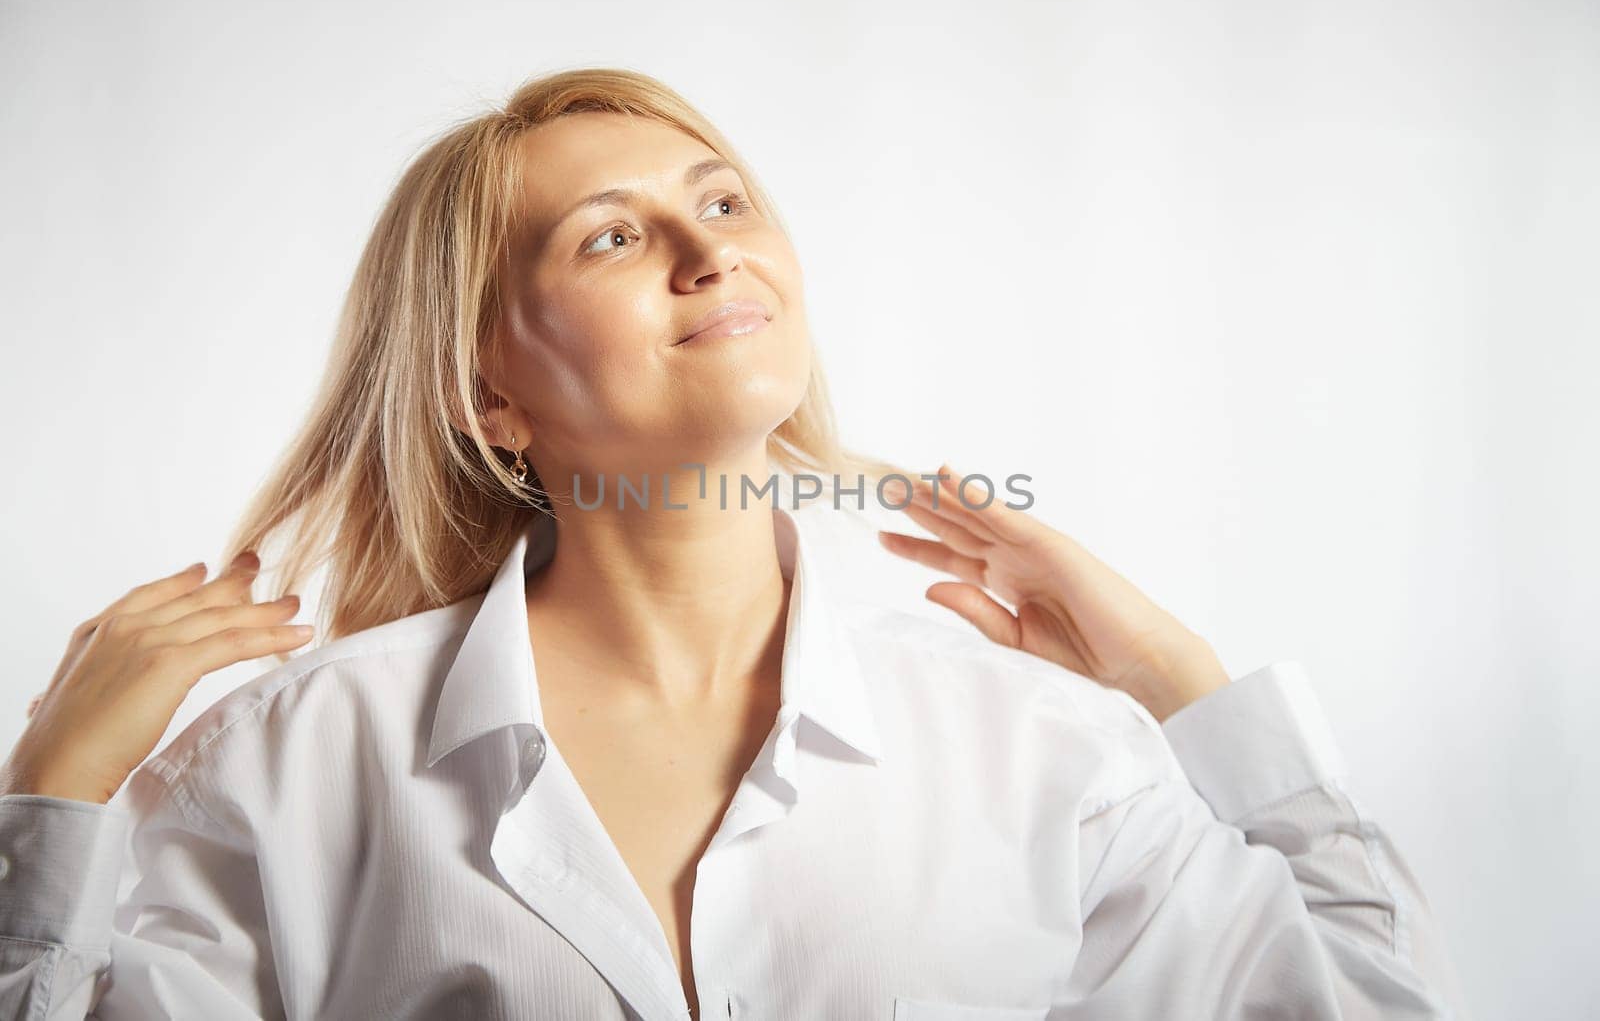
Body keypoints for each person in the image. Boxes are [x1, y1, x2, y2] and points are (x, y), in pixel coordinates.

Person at [0, 67, 1468, 1020]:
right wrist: (51, 797)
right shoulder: (284, 767)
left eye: (721, 201)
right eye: (612, 237)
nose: (714, 252)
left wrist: (1189, 692)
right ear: (488, 397)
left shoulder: (1049, 754)